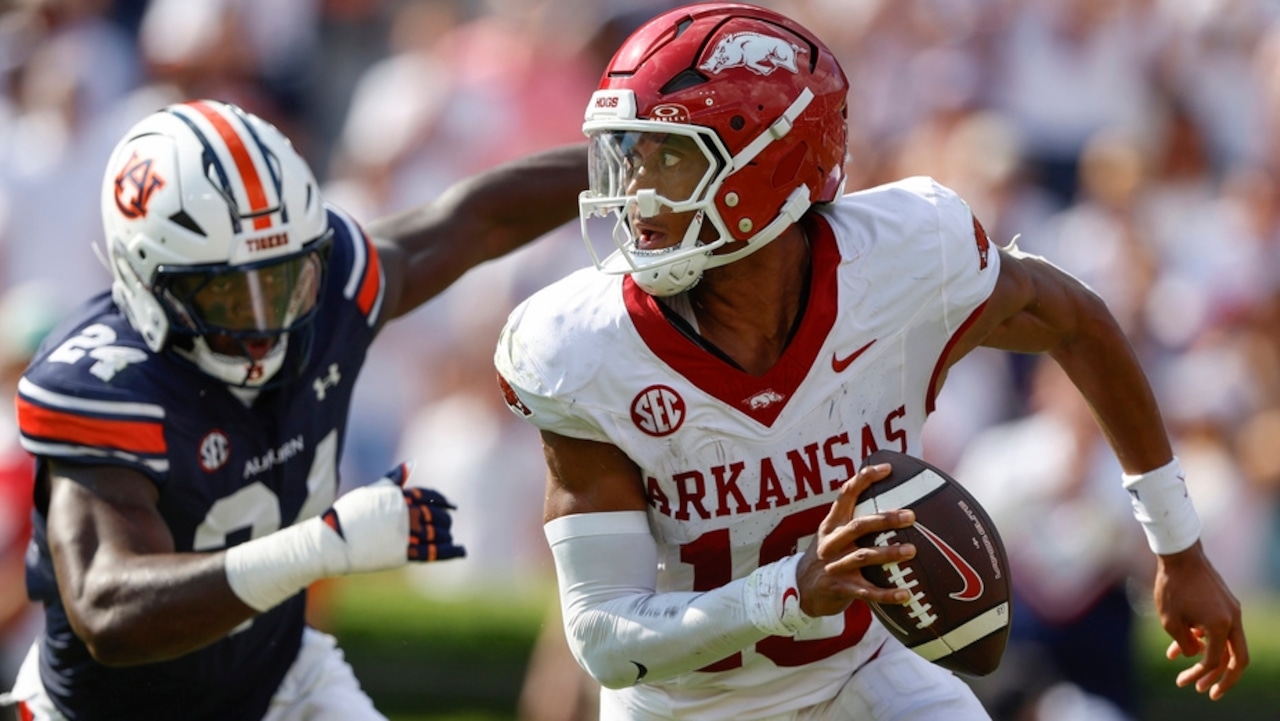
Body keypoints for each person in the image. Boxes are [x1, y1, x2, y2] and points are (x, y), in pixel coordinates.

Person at [492, 4, 1248, 720]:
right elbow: (605, 638)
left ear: (774, 162)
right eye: (629, 156)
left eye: (671, 159)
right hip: (687, 706)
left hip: (864, 673)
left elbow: (1078, 321)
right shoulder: (583, 345)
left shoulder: (905, 260)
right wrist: (791, 590)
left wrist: (1177, 545)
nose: (637, 195)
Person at [0, 98, 583, 721]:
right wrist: (320, 548)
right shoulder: (106, 382)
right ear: (146, 282)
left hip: (279, 676)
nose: (265, 323)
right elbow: (107, 611)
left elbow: (478, 219)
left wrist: (624, 160)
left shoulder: (334, 285)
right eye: (226, 291)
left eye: (281, 281)